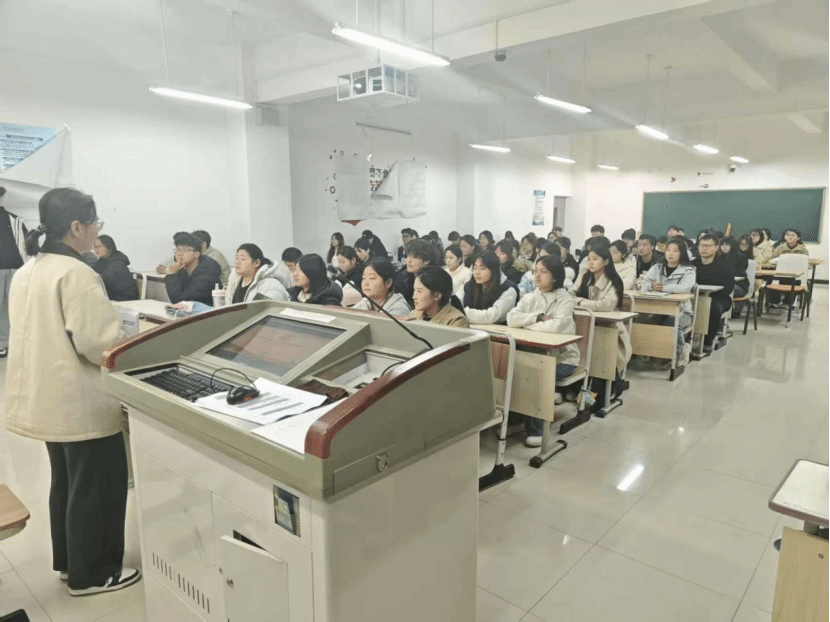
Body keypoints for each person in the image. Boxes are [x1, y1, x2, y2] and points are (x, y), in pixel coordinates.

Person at [5, 187, 141, 596]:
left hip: (48, 398)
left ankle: (70, 563)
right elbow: (98, 344)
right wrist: (129, 342)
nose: (97, 230)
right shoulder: (76, 273)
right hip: (80, 401)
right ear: (77, 226)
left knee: (67, 484)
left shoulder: (29, 270)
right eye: (95, 222)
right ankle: (93, 574)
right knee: (97, 487)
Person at [507, 255, 580, 447]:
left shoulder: (565, 300)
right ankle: (515, 420)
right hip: (533, 355)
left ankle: (536, 429)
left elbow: (557, 326)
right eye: (535, 271)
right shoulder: (530, 297)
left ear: (555, 276)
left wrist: (526, 324)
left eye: (543, 272)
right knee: (511, 371)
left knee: (535, 374)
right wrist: (538, 318)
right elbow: (511, 319)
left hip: (563, 359)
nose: (537, 276)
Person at [570, 245, 631, 407]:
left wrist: (580, 302)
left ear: (605, 261)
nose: (590, 262)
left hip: (609, 330)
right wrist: (584, 303)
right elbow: (569, 296)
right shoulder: (584, 276)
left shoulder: (613, 281)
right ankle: (581, 393)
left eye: (595, 259)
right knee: (581, 360)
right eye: (589, 259)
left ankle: (613, 388)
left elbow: (605, 305)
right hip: (585, 326)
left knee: (601, 364)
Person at [640, 239, 696, 364]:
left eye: (675, 251)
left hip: (683, 311)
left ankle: (682, 349)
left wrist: (664, 287)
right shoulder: (657, 267)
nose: (670, 253)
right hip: (659, 309)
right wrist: (651, 286)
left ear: (682, 253)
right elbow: (643, 283)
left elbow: (685, 288)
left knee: (672, 321)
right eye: (668, 250)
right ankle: (649, 351)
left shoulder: (688, 270)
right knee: (649, 321)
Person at [0, 186, 29, 358]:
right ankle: (2, 343)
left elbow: (27, 247)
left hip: (16, 270)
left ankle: (18, 342)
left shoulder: (15, 220)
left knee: (17, 307)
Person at [693, 233, 734, 354]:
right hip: (697, 296)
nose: (704, 248)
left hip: (719, 298)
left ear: (716, 247)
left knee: (712, 307)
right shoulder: (693, 264)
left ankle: (708, 341)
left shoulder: (724, 264)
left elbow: (729, 288)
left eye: (708, 245)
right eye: (702, 245)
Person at [164, 232, 222, 306]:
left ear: (196, 254)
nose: (179, 254)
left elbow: (181, 301)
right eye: (178, 249)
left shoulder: (208, 274)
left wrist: (172, 274)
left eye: (185, 250)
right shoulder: (182, 269)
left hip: (209, 312)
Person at [463, 251, 518, 325]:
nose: (477, 272)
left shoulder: (508, 290)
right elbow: (456, 303)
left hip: (498, 330)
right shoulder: (469, 285)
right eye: (475, 268)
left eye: (482, 268)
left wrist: (461, 313)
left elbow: (490, 316)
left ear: (493, 270)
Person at [92, 235, 135, 301]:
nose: (96, 249)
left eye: (99, 246)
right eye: (95, 247)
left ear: (109, 247)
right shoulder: (101, 261)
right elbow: (92, 272)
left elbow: (104, 279)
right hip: (111, 295)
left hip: (123, 297)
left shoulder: (118, 262)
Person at [394, 239, 435, 307]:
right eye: (407, 256)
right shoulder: (402, 276)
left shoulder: (434, 280)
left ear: (426, 260)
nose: (408, 261)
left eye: (414, 257)